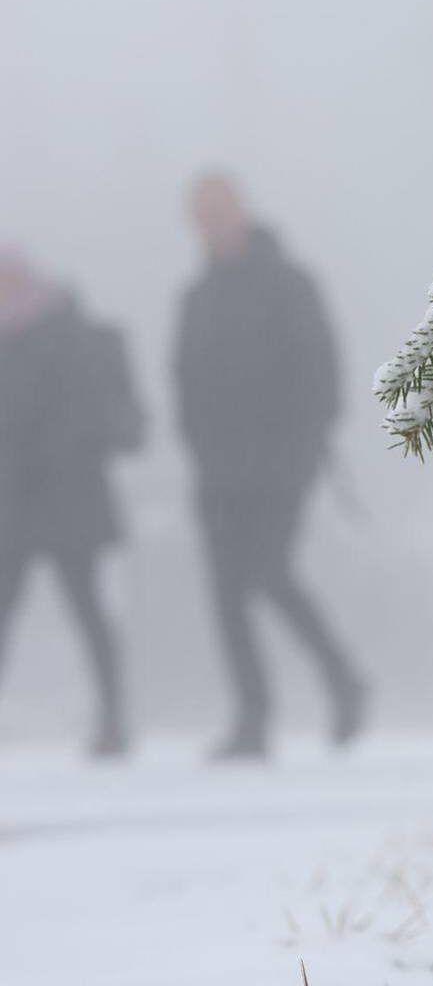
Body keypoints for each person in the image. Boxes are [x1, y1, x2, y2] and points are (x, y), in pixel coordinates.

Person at [173, 173, 364, 759]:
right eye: (201, 213)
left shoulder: (287, 282)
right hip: (219, 470)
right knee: (227, 594)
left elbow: (322, 368)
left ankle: (341, 678)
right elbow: (183, 381)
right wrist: (199, 449)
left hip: (281, 465)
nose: (212, 221)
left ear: (240, 212)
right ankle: (253, 717)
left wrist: (304, 444)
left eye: (219, 209)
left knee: (266, 572)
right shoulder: (197, 297)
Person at [0, 247, 145, 756]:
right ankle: (113, 717)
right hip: (19, 500)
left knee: (86, 611)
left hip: (67, 497)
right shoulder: (10, 338)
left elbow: (75, 414)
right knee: (9, 611)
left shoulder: (69, 332)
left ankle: (113, 717)